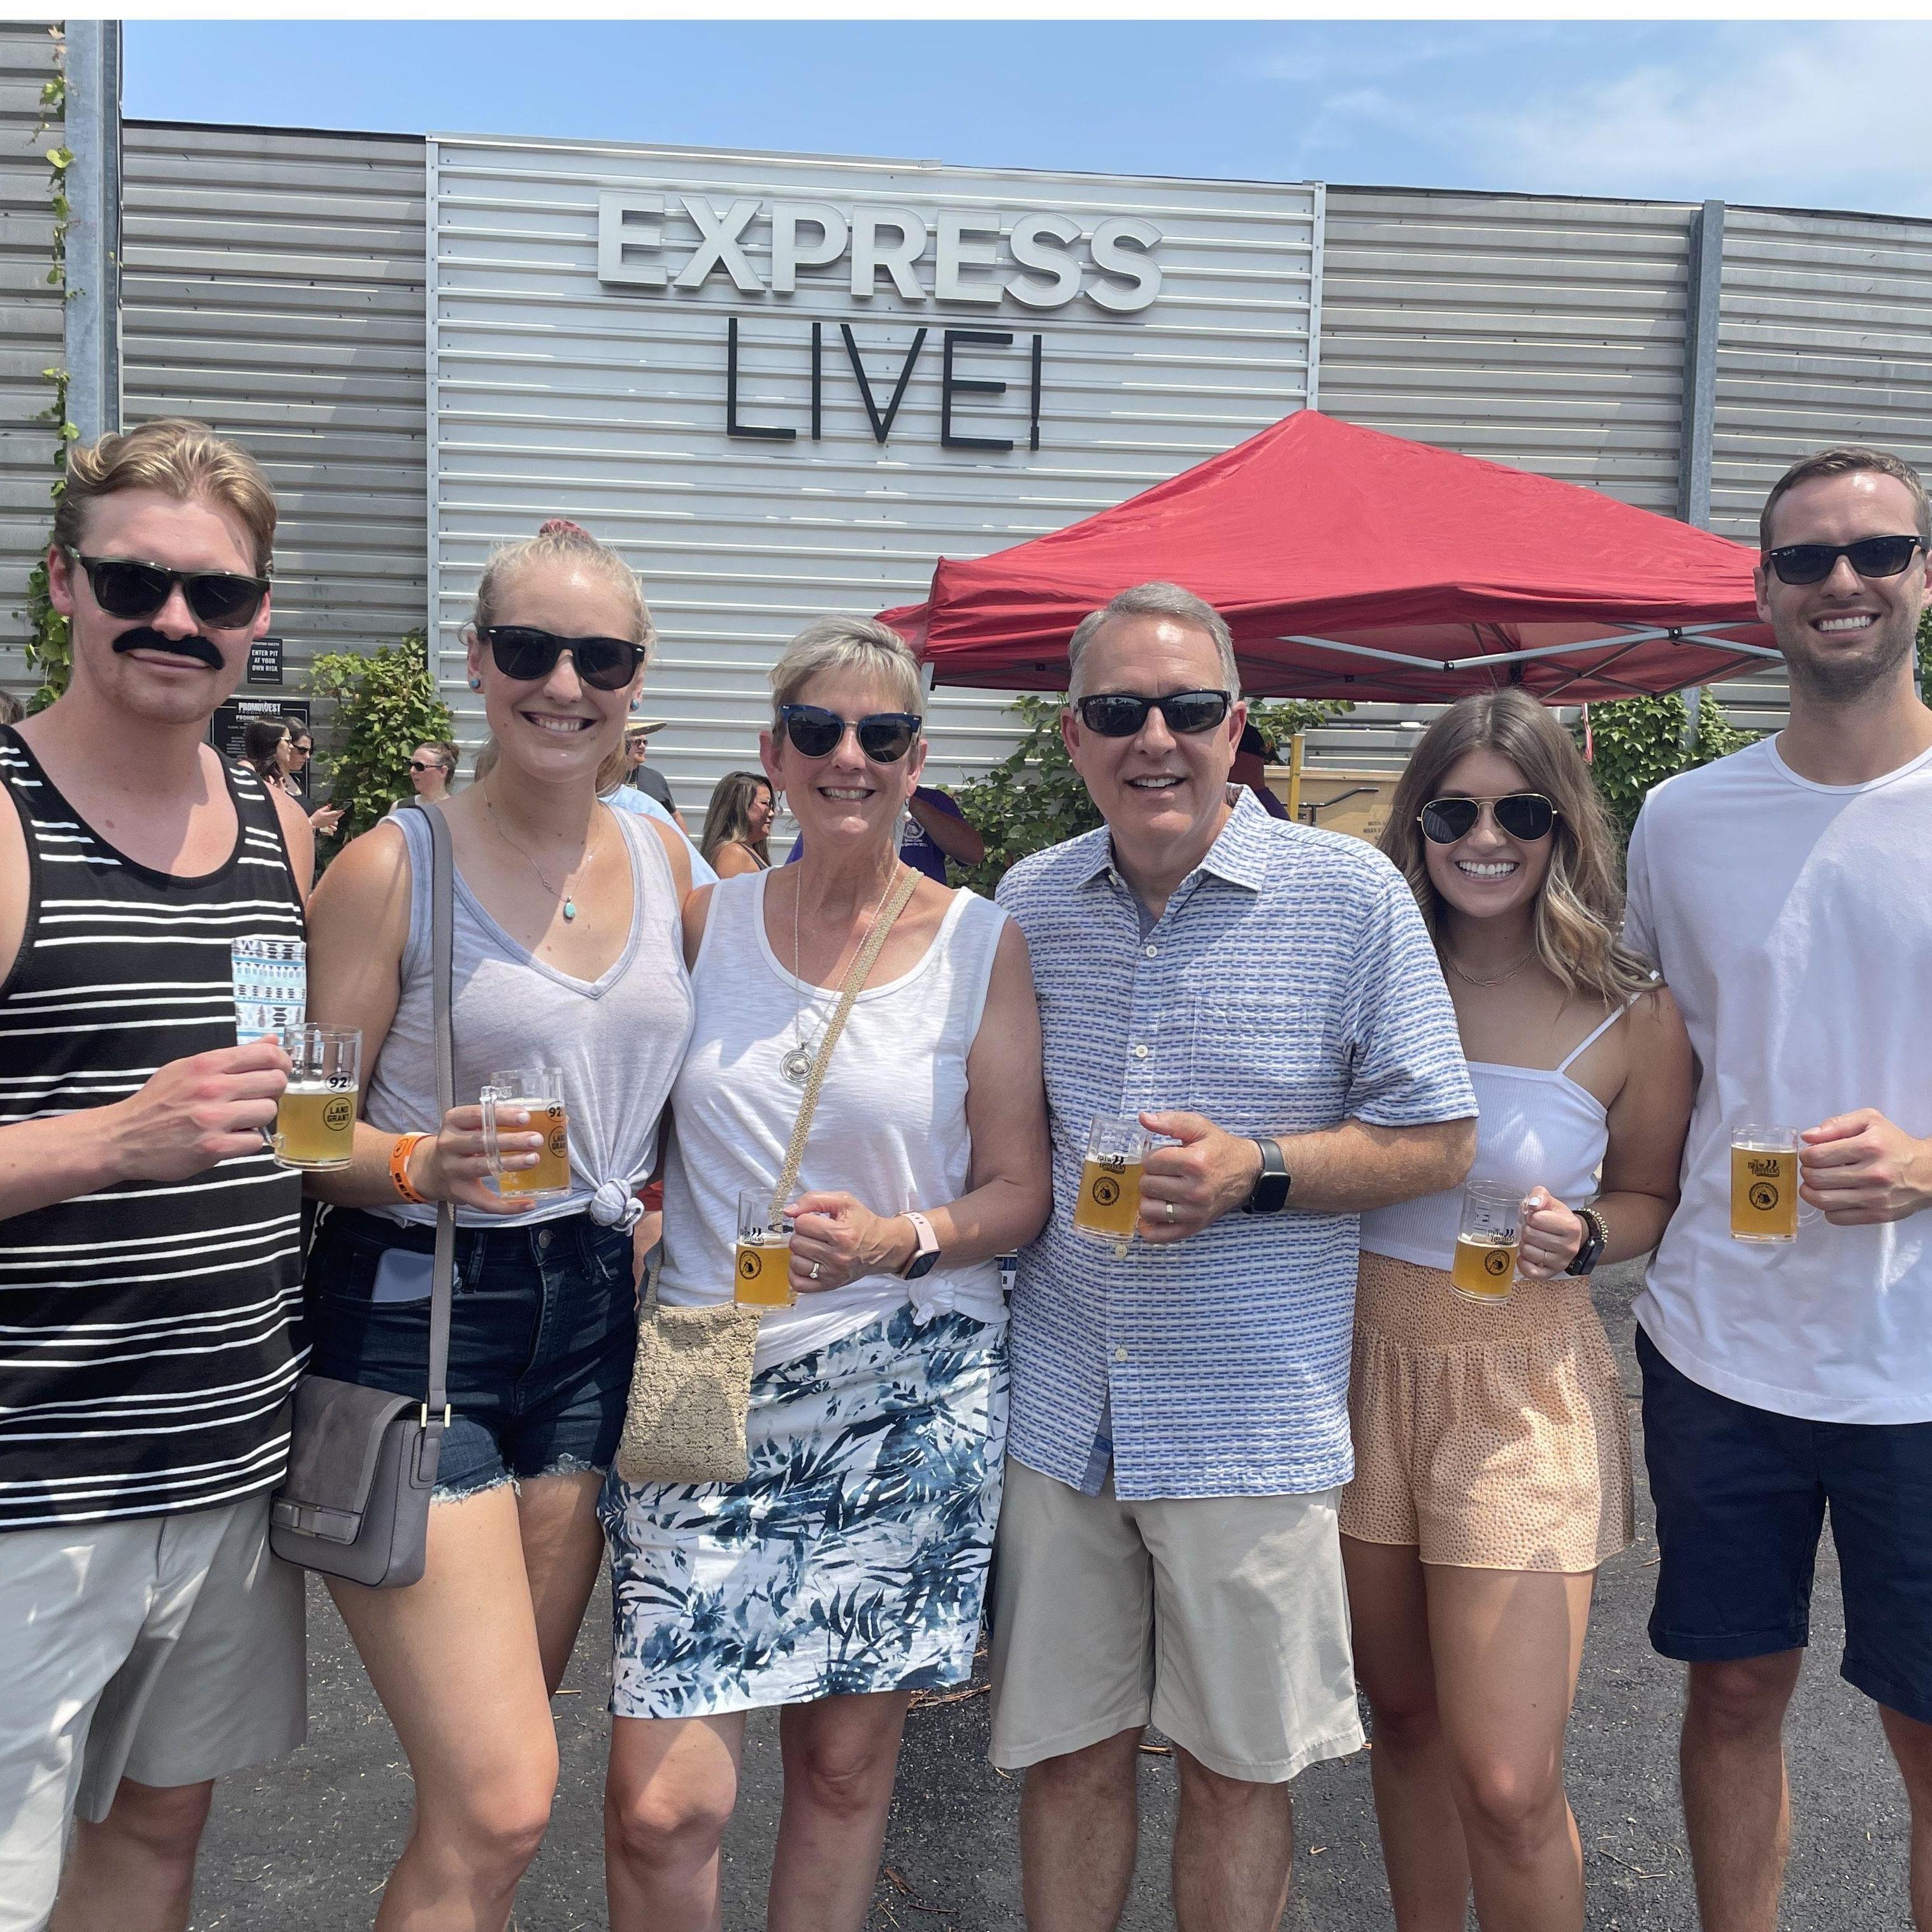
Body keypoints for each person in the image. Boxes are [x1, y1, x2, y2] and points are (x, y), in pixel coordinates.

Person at [988, 580, 1478, 1932]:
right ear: (1075, 735)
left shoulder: (1348, 894)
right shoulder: (1029, 900)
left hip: (1246, 1423)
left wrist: (1256, 1170)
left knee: (1235, 1773)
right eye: (1117, 711)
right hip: (1064, 1414)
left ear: (1234, 723)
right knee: (1067, 1759)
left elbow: (1439, 1138)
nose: (1154, 738)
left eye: (1187, 707)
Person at [599, 614, 1051, 1932]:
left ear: (917, 761)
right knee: (662, 1802)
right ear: (774, 754)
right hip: (702, 1359)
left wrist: (894, 1237)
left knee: (846, 1771)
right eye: (819, 730)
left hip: (908, 1370)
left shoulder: (979, 941)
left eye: (881, 734)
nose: (849, 756)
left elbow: (1018, 1191)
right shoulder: (706, 921)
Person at [299, 518, 694, 1932]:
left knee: (499, 1791)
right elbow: (302, 1131)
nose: (563, 684)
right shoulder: (390, 866)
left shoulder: (664, 852)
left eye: (601, 657)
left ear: (638, 678)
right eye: (529, 648)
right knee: (500, 1795)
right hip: (421, 1315)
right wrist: (419, 1158)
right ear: (477, 660)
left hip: (590, 1317)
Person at [0, 419, 314, 1931]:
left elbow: (299, 1112)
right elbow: (151, 1129)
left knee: (152, 1845)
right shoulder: (6, 817)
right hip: (33, 1479)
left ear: (257, 617)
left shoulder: (274, 823)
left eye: (217, 594)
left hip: (228, 1456)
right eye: (136, 580)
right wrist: (112, 1140)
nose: (176, 620)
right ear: (65, 581)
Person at [1624, 445, 1932, 1932]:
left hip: (1917, 1363)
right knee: (1733, 1690)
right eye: (1806, 559)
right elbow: (1641, 1058)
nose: (1842, 581)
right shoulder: (1681, 819)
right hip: (1720, 1341)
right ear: (1763, 592)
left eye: (1876, 551)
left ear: (1925, 575)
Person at [1343, 689, 1693, 1932]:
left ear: (1562, 824)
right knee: (1402, 1723)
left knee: (1506, 1778)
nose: (1484, 838)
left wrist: (1589, 1234)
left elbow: (1652, 1194)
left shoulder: (1631, 1006)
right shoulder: (1367, 971)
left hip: (1519, 1380)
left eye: (1519, 812)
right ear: (1416, 823)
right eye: (1453, 812)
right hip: (1357, 1363)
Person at [788, 778, 985, 881]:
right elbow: (800, 871)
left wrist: (907, 800)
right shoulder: (844, 801)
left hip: (922, 918)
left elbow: (972, 853)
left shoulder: (933, 800)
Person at [698, 767, 774, 877]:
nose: (772, 813)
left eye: (771, 805)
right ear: (739, 807)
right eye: (764, 803)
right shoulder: (733, 854)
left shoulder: (746, 850)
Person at [623, 716, 687, 830]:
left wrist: (685, 841)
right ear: (623, 745)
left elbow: (675, 816)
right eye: (637, 742)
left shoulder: (655, 778)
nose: (642, 746)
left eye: (645, 742)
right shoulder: (605, 779)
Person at [407, 739, 459, 805]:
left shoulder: (458, 807)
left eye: (419, 766)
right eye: (411, 765)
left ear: (442, 772)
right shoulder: (401, 806)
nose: (412, 771)